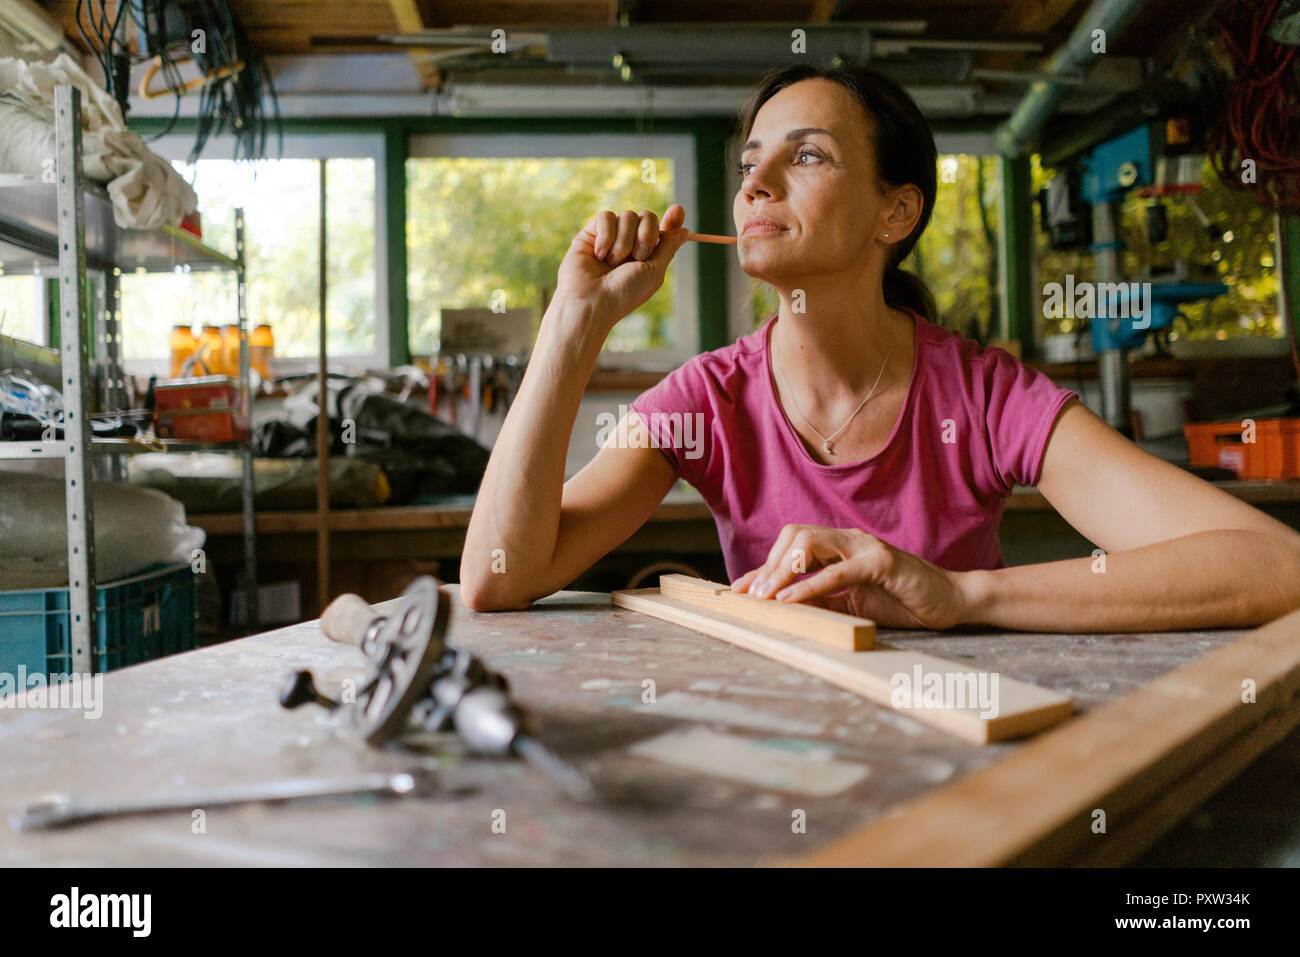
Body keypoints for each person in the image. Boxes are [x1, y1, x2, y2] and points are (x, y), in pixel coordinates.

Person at [461, 62, 1300, 631]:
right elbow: (498, 576)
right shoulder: (705, 400)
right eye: (752, 162)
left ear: (894, 215)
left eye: (808, 157)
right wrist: (573, 325)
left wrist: (960, 594)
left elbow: (1275, 564)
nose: (755, 183)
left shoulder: (982, 396)